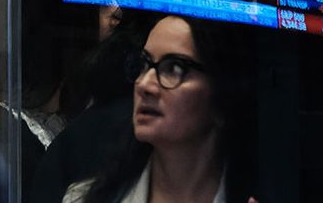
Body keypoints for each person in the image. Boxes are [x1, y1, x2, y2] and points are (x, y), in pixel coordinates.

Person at [62, 15, 258, 203]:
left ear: (222, 93)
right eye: (144, 65)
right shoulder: (83, 199)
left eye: (174, 68)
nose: (145, 84)